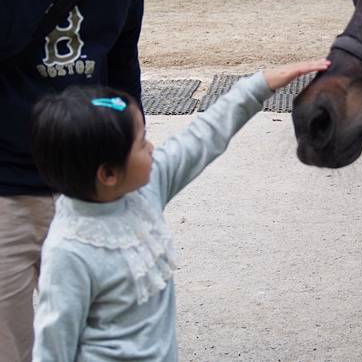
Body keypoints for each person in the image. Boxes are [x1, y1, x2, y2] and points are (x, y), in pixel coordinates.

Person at [30, 60, 329, 361]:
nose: (152, 147)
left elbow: (202, 136)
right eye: (140, 143)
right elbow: (53, 347)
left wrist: (258, 85)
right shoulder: (69, 252)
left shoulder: (143, 190)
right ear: (108, 175)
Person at [0, 0, 144, 360]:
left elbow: (122, 54)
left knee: (105, 346)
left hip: (91, 190)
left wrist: (124, 164)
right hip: (5, 193)